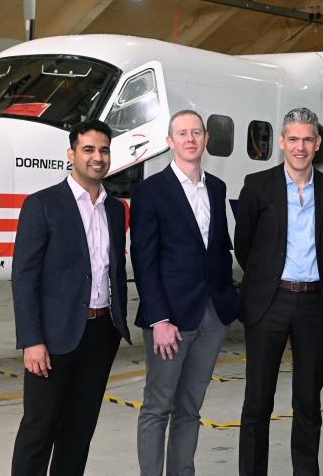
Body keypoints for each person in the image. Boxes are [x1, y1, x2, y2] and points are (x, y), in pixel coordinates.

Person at [11, 119, 131, 476]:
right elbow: (24, 277)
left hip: (100, 333)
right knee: (39, 430)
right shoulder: (43, 205)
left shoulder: (114, 209)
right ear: (71, 154)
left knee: (79, 432)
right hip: (54, 338)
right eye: (89, 149)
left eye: (104, 150)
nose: (97, 157)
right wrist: (32, 340)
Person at [236, 107, 323, 476]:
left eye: (307, 140)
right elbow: (245, 246)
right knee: (257, 402)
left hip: (314, 304)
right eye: (293, 139)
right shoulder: (257, 185)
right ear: (282, 142)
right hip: (269, 303)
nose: (300, 147)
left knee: (308, 402)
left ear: (317, 144)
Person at [131, 109, 240, 476]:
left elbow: (219, 248)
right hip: (171, 320)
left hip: (212, 316)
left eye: (196, 132)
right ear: (169, 141)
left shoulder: (217, 187)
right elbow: (144, 261)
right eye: (182, 133)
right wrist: (159, 319)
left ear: (206, 138)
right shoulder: (150, 192)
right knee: (157, 407)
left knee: (190, 408)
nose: (190, 139)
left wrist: (228, 301)